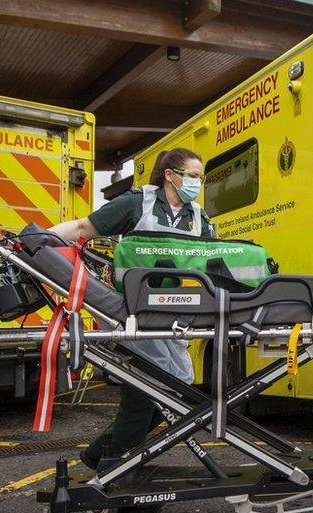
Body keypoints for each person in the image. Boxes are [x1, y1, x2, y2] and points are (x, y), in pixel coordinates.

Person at [48, 147, 214, 471]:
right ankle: (115, 466)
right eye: (193, 176)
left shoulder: (199, 218)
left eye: (200, 178)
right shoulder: (138, 203)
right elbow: (84, 228)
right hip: (136, 313)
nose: (197, 183)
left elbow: (211, 259)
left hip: (175, 315)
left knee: (172, 392)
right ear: (170, 175)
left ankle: (102, 454)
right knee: (143, 394)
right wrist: (39, 238)